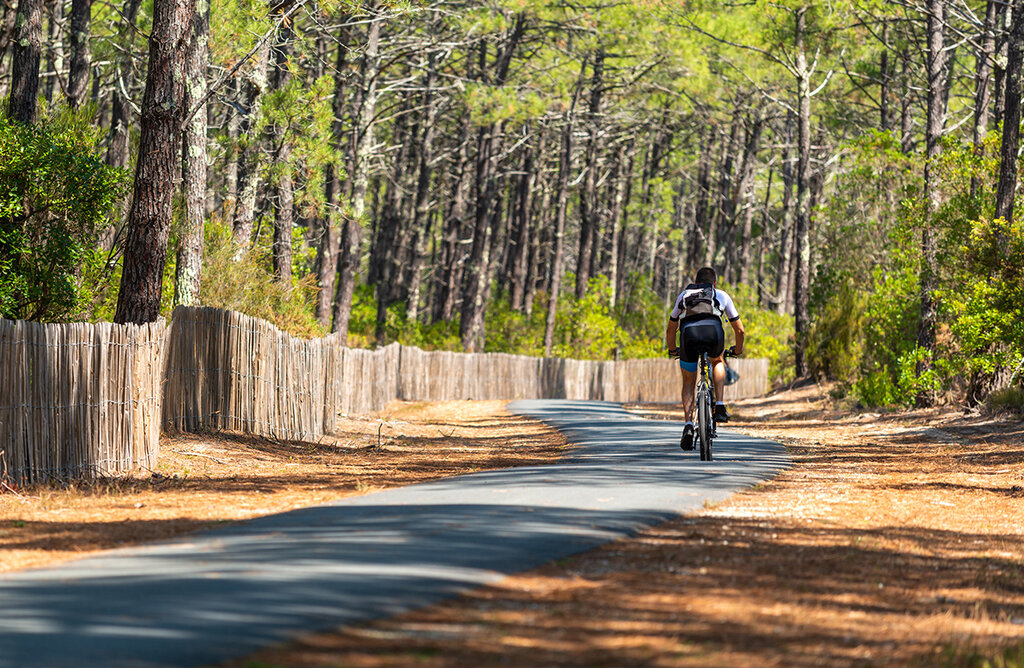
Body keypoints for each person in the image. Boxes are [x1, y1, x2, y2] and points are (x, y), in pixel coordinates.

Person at [665, 266, 745, 451]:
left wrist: (672, 349)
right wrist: (738, 350)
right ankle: (720, 405)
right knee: (717, 361)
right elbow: (739, 330)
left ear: (696, 281)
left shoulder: (684, 295)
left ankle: (687, 425)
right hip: (713, 333)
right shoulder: (721, 295)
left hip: (688, 336)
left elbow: (671, 329)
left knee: (688, 382)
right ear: (714, 283)